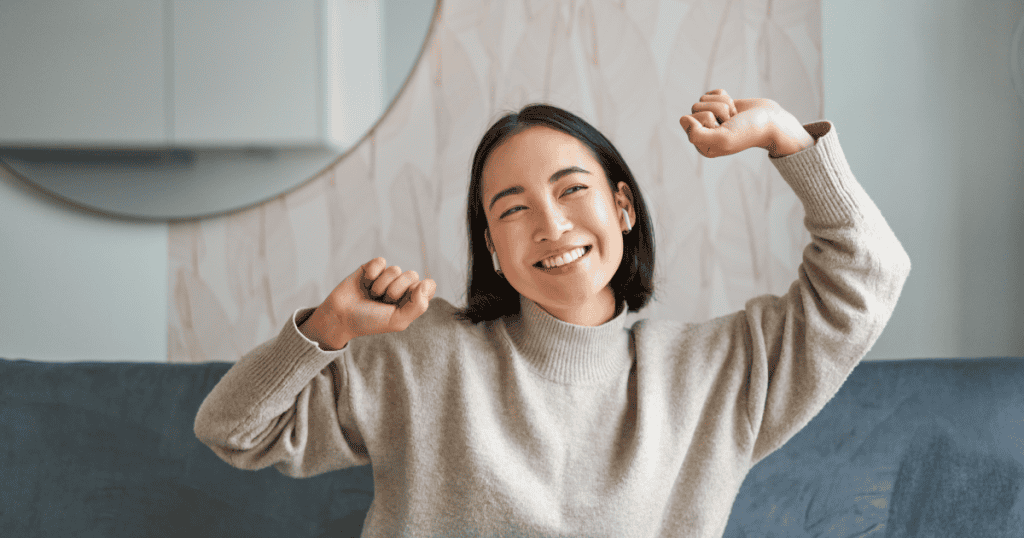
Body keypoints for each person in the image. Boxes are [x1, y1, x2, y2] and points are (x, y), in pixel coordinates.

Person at [194, 90, 911, 537]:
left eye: (573, 191)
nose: (551, 225)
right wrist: (329, 331)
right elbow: (233, 431)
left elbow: (870, 272)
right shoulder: (420, 352)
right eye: (513, 209)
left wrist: (785, 138)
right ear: (493, 248)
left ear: (622, 208)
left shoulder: (717, 375)